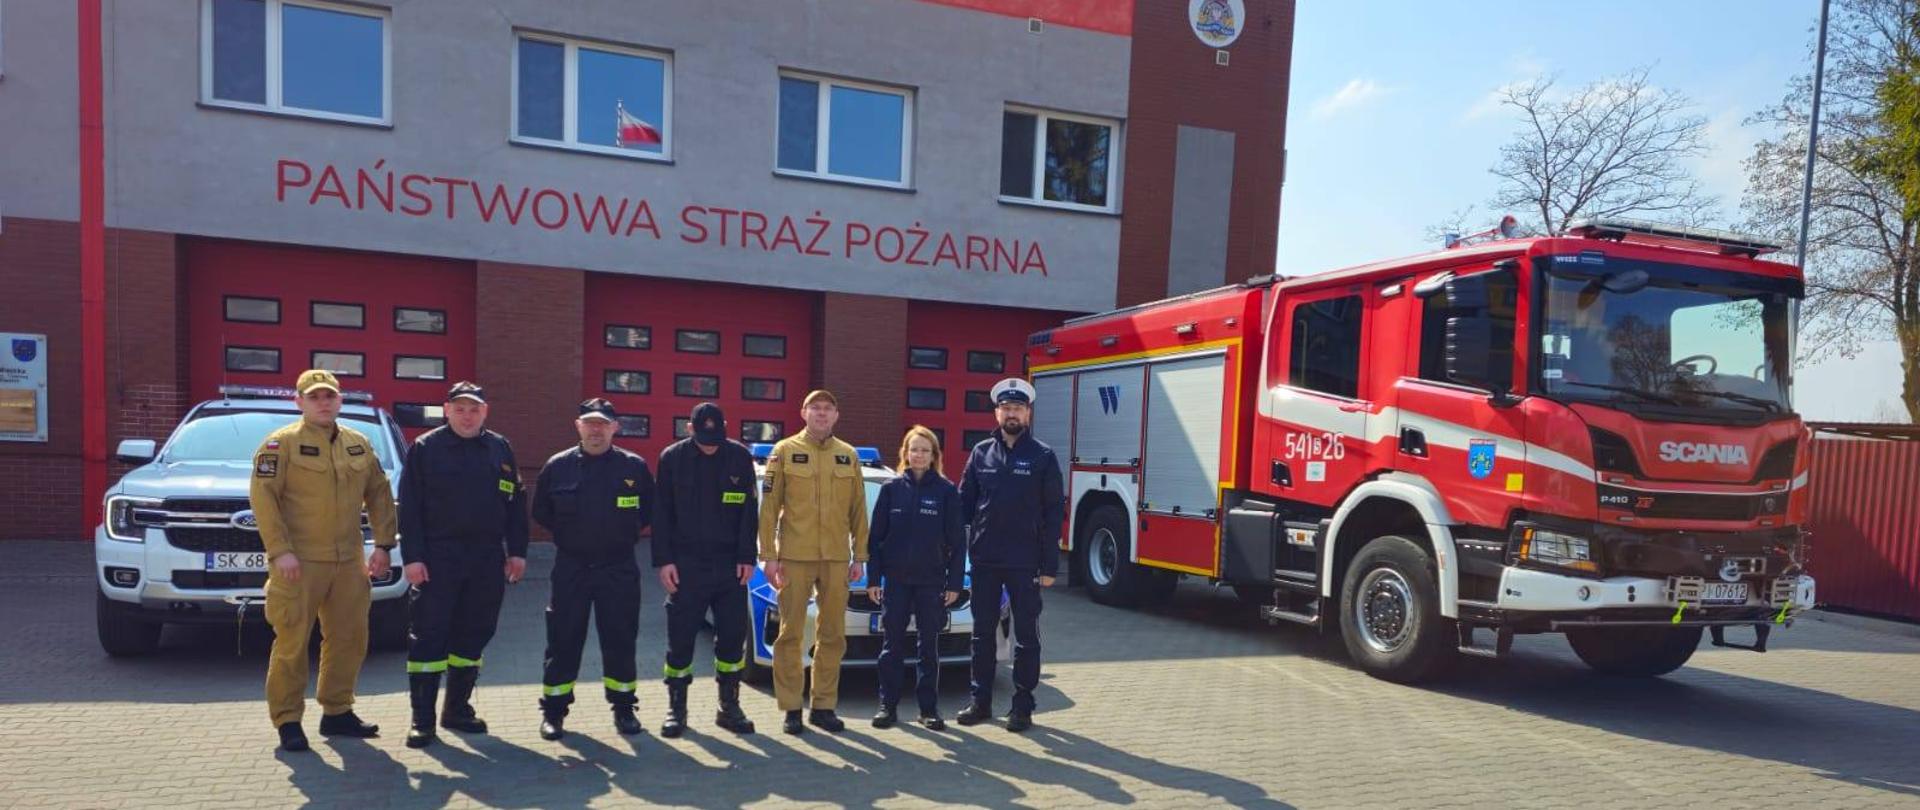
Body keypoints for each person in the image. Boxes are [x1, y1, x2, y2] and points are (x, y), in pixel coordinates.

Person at [248, 369, 398, 752]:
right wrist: (280, 551)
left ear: (339, 399)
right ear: (298, 402)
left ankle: (337, 711)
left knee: (350, 637)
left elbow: (379, 494)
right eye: (314, 397)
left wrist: (383, 544)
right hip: (299, 562)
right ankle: (288, 720)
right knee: (292, 641)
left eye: (329, 395)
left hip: (348, 561)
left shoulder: (359, 444)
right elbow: (264, 499)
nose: (323, 402)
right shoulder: (280, 445)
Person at [395, 381, 529, 748]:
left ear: (485, 412)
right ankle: (422, 720)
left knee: (475, 633)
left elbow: (516, 503)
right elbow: (410, 507)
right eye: (460, 409)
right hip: (439, 558)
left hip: (486, 558)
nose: (467, 415)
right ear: (447, 410)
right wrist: (413, 558)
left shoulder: (500, 448)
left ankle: (457, 709)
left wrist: (517, 551)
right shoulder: (426, 448)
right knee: (429, 636)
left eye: (474, 409)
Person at [531, 398, 655, 740]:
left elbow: (648, 513)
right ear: (578, 426)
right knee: (563, 639)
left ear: (615, 427)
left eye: (603, 423)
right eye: (590, 423)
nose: (596, 429)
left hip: (619, 568)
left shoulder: (634, 468)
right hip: (572, 568)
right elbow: (542, 512)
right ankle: (554, 712)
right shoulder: (557, 467)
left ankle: (624, 708)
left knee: (620, 639)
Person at [757, 389, 870, 735]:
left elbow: (858, 511)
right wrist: (768, 556)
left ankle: (823, 706)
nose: (821, 414)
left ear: (836, 415)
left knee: (833, 635)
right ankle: (792, 707)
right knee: (790, 634)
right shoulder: (785, 452)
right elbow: (769, 507)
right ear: (803, 412)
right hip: (794, 557)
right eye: (815, 408)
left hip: (836, 558)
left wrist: (860, 556)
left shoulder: (847, 455)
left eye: (828, 409)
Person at [957, 377, 1064, 733]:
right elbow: (963, 507)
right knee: (982, 634)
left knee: (1026, 637)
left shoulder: (1043, 457)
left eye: (1018, 408)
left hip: (1025, 563)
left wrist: (1050, 565)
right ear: (997, 412)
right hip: (985, 561)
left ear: (1028, 414)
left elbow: (1053, 514)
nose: (1012, 413)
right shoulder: (980, 452)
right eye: (1006, 408)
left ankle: (1022, 705)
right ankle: (980, 701)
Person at [651, 402, 760, 737]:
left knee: (731, 640)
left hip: (730, 568)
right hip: (686, 566)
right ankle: (677, 709)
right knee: (680, 641)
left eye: (716, 437)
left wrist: (747, 557)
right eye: (702, 438)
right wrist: (663, 561)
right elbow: (661, 513)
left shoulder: (739, 457)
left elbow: (748, 513)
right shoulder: (673, 458)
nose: (710, 444)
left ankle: (729, 708)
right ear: (689, 429)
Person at [866, 425, 964, 731]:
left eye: (925, 450)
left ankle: (928, 709)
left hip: (931, 582)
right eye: (914, 449)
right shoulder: (891, 490)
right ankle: (887, 706)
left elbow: (958, 542)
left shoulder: (947, 491)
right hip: (895, 582)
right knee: (891, 646)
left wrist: (954, 584)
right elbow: (875, 539)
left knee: (927, 647)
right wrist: (873, 580)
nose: (919, 455)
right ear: (905, 454)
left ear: (934, 455)